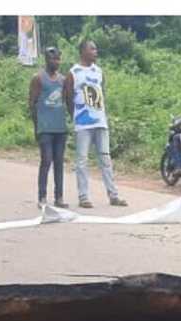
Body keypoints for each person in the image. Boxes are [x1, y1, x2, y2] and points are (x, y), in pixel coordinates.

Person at [64, 39, 127, 208]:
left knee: (105, 159)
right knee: (82, 160)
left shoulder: (99, 71)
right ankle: (83, 196)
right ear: (83, 51)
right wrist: (75, 116)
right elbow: (68, 98)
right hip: (83, 124)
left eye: (95, 49)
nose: (95, 52)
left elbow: (102, 93)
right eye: (92, 49)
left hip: (100, 122)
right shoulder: (74, 73)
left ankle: (113, 195)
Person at [29, 46, 69, 209]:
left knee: (59, 162)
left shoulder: (63, 80)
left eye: (58, 59)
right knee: (46, 161)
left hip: (60, 128)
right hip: (45, 128)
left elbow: (66, 101)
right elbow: (32, 104)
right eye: (53, 59)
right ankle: (42, 197)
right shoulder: (38, 78)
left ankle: (59, 197)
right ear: (46, 59)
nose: (56, 62)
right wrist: (36, 127)